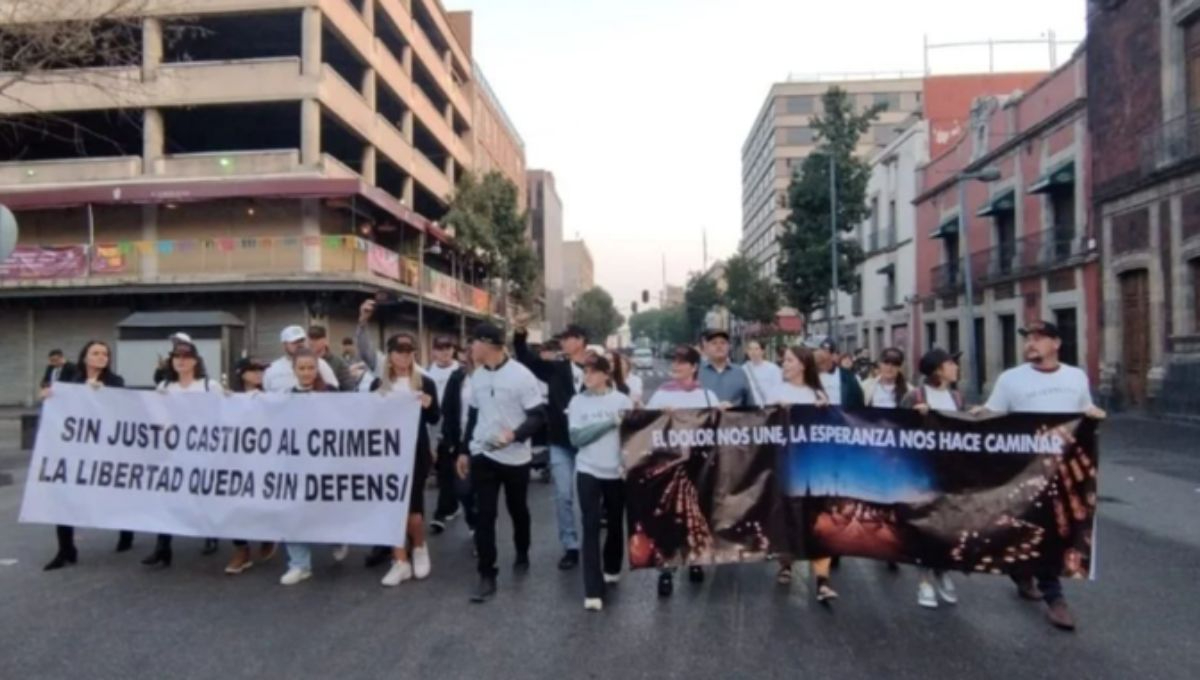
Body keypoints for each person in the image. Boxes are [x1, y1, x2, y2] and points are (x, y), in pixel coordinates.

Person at [975, 320, 1105, 632]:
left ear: (1056, 344)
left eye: (1038, 338)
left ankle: (1039, 584)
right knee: (1032, 526)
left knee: (1057, 529)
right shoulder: (1011, 380)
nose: (1030, 344)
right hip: (1023, 468)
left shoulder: (1075, 377)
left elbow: (1084, 410)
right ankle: (1039, 584)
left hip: (1064, 469)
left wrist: (1095, 415)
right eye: (1027, 338)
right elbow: (993, 414)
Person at [457, 322, 546, 603]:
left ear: (489, 345)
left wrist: (515, 435)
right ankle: (487, 573)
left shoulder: (522, 376)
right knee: (485, 513)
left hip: (515, 457)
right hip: (484, 453)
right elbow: (473, 416)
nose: (470, 348)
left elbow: (538, 416)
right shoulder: (477, 376)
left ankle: (522, 550)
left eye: (474, 342)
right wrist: (463, 451)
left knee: (517, 509)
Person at [42, 341, 134, 571]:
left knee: (115, 495)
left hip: (105, 450)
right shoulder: (70, 381)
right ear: (85, 357)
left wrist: (100, 394)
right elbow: (58, 404)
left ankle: (126, 530)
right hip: (75, 449)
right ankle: (66, 548)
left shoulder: (115, 381)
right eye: (96, 353)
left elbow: (122, 408)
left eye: (105, 354)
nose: (101, 357)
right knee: (64, 496)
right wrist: (47, 395)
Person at [512, 319, 589, 571]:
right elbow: (527, 359)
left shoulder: (598, 368)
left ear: (579, 340)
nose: (562, 343)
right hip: (560, 443)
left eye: (566, 338)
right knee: (563, 495)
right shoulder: (556, 369)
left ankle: (593, 543)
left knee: (590, 498)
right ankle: (570, 546)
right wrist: (520, 334)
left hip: (591, 443)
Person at [364, 333, 439, 587]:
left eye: (410, 350)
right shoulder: (378, 386)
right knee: (392, 507)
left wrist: (428, 406)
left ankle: (419, 547)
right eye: (399, 350)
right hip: (386, 453)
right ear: (390, 354)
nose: (405, 355)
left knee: (413, 510)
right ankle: (399, 560)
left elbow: (434, 418)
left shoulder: (425, 383)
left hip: (415, 451)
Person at [645, 345, 720, 597]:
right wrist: (658, 415)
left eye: (681, 363)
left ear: (694, 367)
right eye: (674, 362)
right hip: (669, 466)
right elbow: (644, 426)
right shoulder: (661, 394)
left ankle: (696, 561)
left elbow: (721, 428)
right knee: (669, 516)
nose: (675, 367)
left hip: (698, 467)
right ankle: (667, 570)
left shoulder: (708, 396)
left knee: (697, 515)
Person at [766, 346, 837, 602]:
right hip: (785, 464)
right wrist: (776, 409)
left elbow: (830, 428)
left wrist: (825, 409)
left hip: (813, 467)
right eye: (784, 360)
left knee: (818, 519)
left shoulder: (817, 393)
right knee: (787, 516)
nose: (783, 364)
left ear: (802, 365)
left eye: (788, 360)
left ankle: (822, 580)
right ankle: (785, 563)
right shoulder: (776, 392)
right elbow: (763, 425)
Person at [142, 339, 220, 569]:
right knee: (167, 496)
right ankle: (163, 546)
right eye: (177, 357)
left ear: (195, 361)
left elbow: (223, 412)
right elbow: (155, 415)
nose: (181, 361)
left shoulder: (208, 385)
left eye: (186, 357)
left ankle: (210, 534)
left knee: (203, 495)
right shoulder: (165, 387)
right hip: (173, 449)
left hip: (203, 449)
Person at [900, 347, 966, 608]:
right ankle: (924, 579)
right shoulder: (914, 395)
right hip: (922, 473)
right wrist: (916, 417)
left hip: (951, 472)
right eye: (952, 363)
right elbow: (897, 429)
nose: (956, 368)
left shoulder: (957, 398)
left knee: (948, 527)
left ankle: (943, 571)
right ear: (939, 369)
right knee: (926, 526)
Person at [567, 354, 633, 611]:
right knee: (590, 524)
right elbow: (577, 438)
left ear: (606, 375)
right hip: (588, 469)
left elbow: (633, 436)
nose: (588, 377)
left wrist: (629, 464)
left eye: (593, 372)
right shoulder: (577, 402)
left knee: (616, 522)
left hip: (616, 471)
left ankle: (613, 566)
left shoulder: (622, 400)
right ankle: (593, 589)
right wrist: (608, 423)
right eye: (585, 372)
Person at [279, 348, 344, 586]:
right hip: (295, 464)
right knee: (293, 512)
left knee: (326, 508)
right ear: (294, 370)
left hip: (325, 463)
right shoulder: (285, 396)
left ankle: (338, 538)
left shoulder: (333, 394)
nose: (306, 372)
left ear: (318, 368)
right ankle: (299, 564)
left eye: (310, 368)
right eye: (301, 368)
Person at [224, 357, 278, 575]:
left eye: (261, 370)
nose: (258, 374)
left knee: (262, 499)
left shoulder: (271, 397)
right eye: (253, 370)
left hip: (264, 458)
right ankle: (241, 549)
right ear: (241, 373)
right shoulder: (229, 397)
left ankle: (267, 534)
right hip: (236, 459)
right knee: (234, 504)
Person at [426, 336, 463, 534]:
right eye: (440, 348)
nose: (444, 351)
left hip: (454, 429)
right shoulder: (426, 373)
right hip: (433, 428)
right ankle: (452, 505)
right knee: (443, 472)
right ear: (433, 351)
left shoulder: (460, 372)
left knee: (450, 470)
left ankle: (440, 513)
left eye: (448, 347)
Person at [439, 348, 477, 534]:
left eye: (466, 361)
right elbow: (447, 408)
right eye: (461, 361)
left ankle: (482, 533)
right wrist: (449, 438)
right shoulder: (457, 379)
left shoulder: (490, 378)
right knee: (463, 489)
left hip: (486, 442)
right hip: (462, 441)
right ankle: (473, 522)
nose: (463, 365)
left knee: (483, 492)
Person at [263, 325, 338, 393]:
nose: (299, 344)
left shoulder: (321, 363)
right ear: (284, 344)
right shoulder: (273, 369)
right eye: (294, 342)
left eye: (301, 341)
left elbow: (334, 394)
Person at [699, 329, 755, 407]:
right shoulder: (697, 373)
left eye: (723, 343)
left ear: (729, 347)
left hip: (734, 419)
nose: (719, 346)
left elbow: (750, 406)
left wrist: (733, 410)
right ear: (706, 348)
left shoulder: (739, 372)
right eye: (714, 343)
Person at [813, 340, 865, 408]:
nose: (825, 357)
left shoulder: (848, 376)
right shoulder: (812, 375)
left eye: (829, 353)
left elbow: (858, 399)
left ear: (835, 356)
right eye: (823, 353)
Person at [308, 325, 355, 391]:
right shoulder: (305, 361)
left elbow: (349, 388)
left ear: (325, 340)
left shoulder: (338, 362)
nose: (312, 342)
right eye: (311, 339)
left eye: (316, 339)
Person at [742, 338, 782, 406]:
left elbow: (778, 389)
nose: (753, 352)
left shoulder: (773, 369)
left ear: (763, 351)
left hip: (769, 408)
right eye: (750, 349)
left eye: (756, 349)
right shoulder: (743, 369)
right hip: (750, 408)